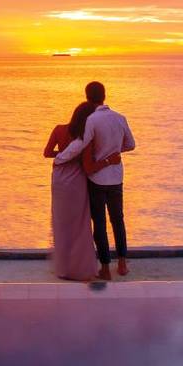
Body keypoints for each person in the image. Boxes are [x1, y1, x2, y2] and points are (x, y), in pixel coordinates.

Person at [55, 81, 135, 279]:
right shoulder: (120, 118)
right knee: (118, 220)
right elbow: (130, 144)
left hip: (97, 179)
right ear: (104, 95)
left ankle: (105, 268)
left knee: (99, 223)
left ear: (87, 97)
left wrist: (60, 158)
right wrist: (113, 152)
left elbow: (80, 144)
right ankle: (122, 264)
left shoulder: (91, 119)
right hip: (116, 177)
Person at [43, 101, 121, 281]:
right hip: (76, 179)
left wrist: (62, 155)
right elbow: (89, 168)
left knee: (61, 223)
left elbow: (47, 153)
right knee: (79, 224)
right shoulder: (85, 139)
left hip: (59, 178)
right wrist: (109, 160)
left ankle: (63, 267)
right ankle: (78, 268)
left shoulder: (59, 129)